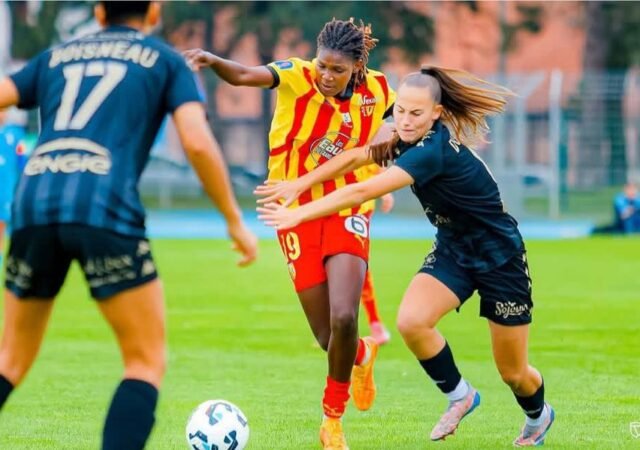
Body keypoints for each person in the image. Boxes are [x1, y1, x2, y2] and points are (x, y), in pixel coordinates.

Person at [0, 2, 258, 450]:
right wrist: (234, 220)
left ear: (99, 13)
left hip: (33, 203)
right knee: (144, 362)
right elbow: (197, 143)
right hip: (105, 205)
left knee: (9, 361)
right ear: (154, 11)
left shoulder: (57, 56)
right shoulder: (167, 62)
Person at [256, 66, 555, 447]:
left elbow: (361, 192)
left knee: (513, 373)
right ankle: (461, 396)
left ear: (436, 113)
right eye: (400, 111)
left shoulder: (430, 152)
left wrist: (298, 213)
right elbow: (355, 158)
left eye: (416, 113)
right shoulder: (403, 136)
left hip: (500, 258)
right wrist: (299, 184)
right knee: (412, 322)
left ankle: (538, 416)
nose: (405, 120)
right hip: (453, 250)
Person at [185, 18, 396, 449]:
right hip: (294, 214)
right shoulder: (297, 76)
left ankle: (332, 421)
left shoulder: (378, 89)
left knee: (344, 316)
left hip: (347, 207)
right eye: (322, 65)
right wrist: (211, 60)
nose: (326, 76)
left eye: (338, 70)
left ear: (357, 68)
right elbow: (244, 75)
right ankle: (362, 353)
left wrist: (387, 160)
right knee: (327, 338)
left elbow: (395, 125)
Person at [356, 163, 394, 345]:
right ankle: (333, 328)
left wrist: (385, 191)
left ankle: (375, 324)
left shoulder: (364, 149)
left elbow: (378, 165)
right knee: (327, 267)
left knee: (357, 265)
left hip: (359, 210)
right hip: (333, 208)